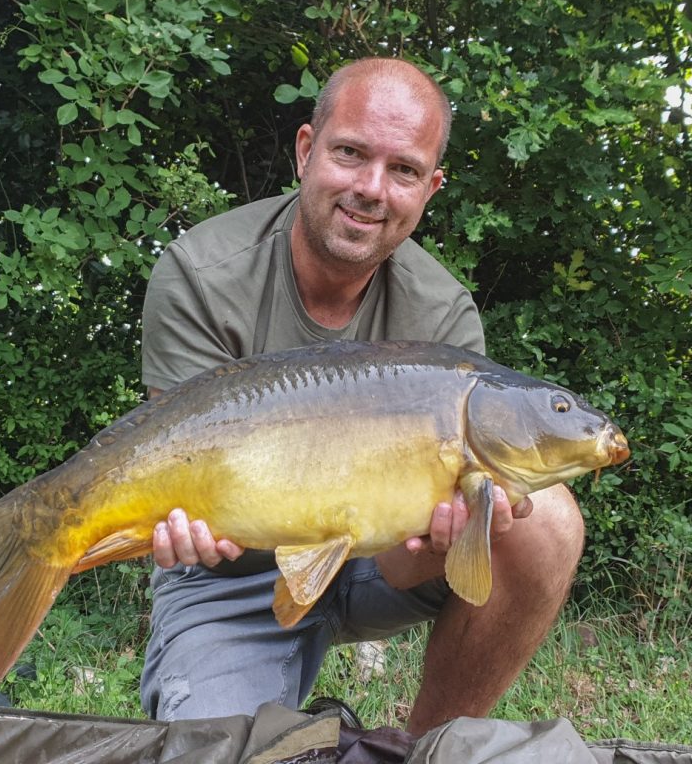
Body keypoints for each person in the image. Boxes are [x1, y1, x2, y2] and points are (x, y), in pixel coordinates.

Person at [137, 57, 584, 735]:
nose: (372, 189)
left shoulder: (443, 316)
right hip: (234, 571)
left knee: (545, 519)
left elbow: (410, 558)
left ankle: (425, 748)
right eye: (350, 153)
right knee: (220, 749)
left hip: (381, 554)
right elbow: (170, 465)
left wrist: (450, 539)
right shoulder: (203, 273)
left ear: (429, 188)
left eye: (403, 170)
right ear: (306, 151)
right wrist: (173, 523)